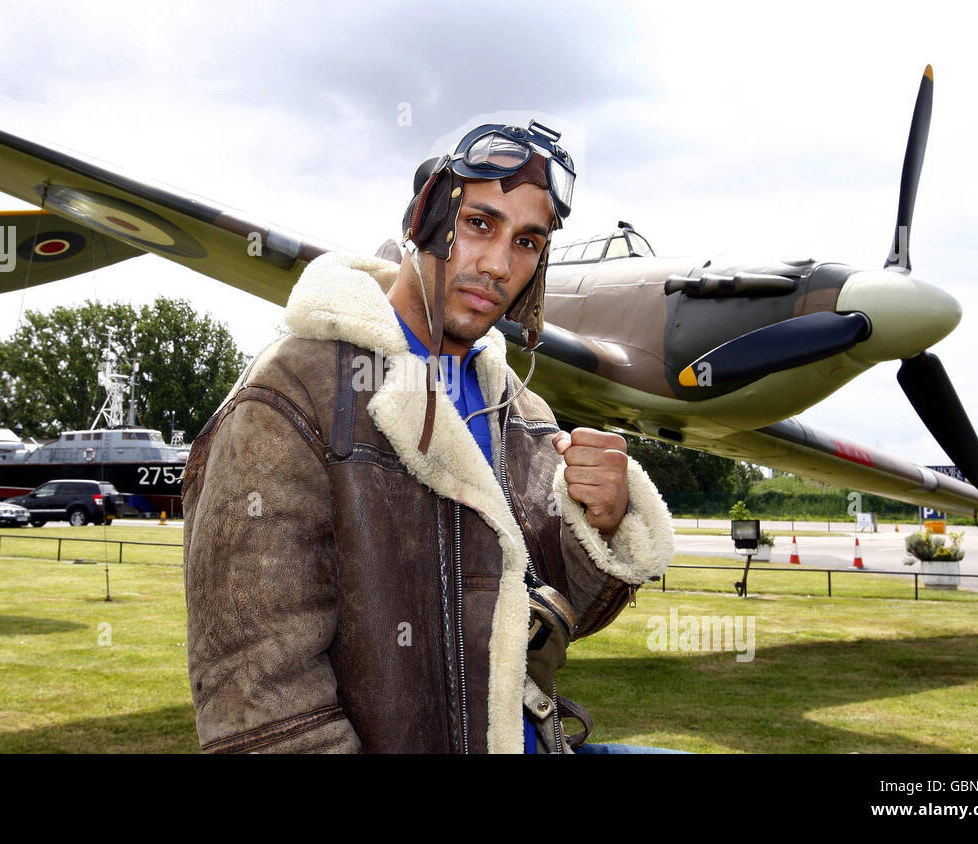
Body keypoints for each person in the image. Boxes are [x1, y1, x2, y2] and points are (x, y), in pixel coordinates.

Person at [182, 119, 675, 753]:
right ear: (425, 220)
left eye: (526, 241)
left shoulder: (519, 410)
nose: (498, 265)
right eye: (479, 224)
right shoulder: (293, 394)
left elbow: (554, 617)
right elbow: (255, 699)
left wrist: (600, 525)